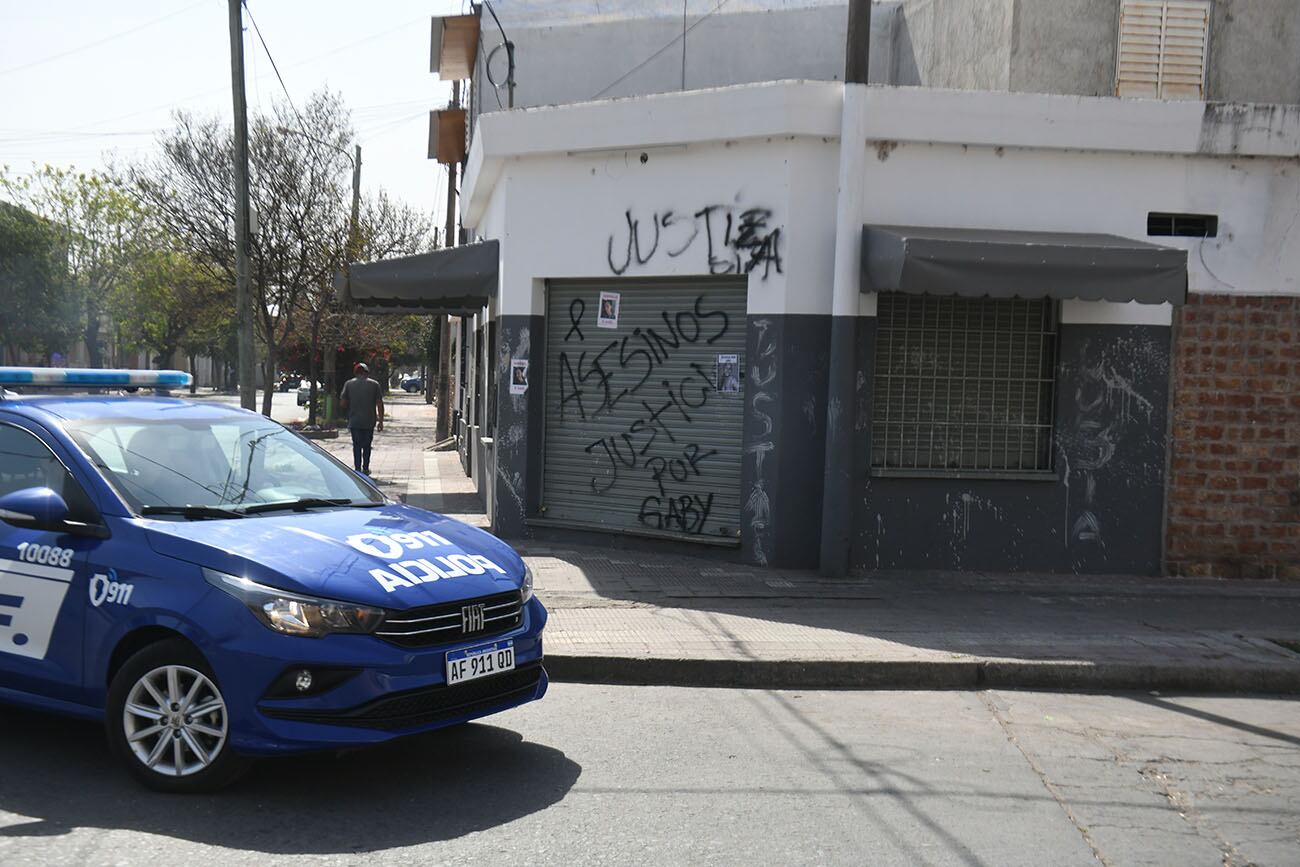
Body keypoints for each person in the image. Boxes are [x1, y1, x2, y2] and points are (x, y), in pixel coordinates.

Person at [339, 362, 384, 475]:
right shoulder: (374, 385)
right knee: (367, 446)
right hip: (369, 421)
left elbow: (343, 403)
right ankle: (366, 467)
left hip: (355, 421)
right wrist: (381, 421)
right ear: (367, 373)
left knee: (357, 445)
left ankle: (357, 469)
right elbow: (379, 403)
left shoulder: (348, 384)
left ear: (355, 372)